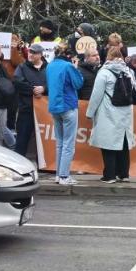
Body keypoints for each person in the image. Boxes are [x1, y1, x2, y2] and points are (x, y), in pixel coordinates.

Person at [87, 47, 136, 183]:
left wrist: (90, 112)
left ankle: (109, 175)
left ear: (108, 56)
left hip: (108, 111)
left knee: (107, 144)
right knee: (123, 143)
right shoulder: (128, 71)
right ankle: (124, 174)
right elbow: (134, 90)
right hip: (126, 111)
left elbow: (96, 95)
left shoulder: (104, 72)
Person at [46, 43, 85, 185]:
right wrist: (76, 68)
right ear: (68, 55)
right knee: (69, 144)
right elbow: (78, 83)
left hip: (54, 106)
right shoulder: (68, 66)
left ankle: (59, 175)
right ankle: (64, 176)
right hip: (68, 105)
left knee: (60, 143)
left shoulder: (49, 65)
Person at [13, 43, 49, 158]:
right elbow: (17, 82)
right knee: (22, 139)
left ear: (41, 55)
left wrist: (44, 88)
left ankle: (42, 165)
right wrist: (33, 90)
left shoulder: (49, 68)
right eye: (29, 52)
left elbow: (54, 83)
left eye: (34, 53)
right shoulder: (22, 67)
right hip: (26, 109)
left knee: (43, 141)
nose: (30, 54)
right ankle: (18, 162)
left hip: (44, 111)